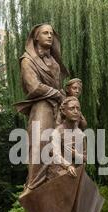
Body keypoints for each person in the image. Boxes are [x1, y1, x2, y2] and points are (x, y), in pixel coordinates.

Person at [14, 23, 69, 191]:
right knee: (40, 142)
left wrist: (64, 97)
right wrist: (56, 93)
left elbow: (59, 86)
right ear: (36, 37)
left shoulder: (55, 63)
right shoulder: (27, 60)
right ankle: (34, 184)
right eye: (45, 33)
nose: (50, 36)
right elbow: (34, 86)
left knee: (60, 143)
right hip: (41, 107)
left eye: (51, 33)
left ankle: (56, 173)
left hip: (57, 107)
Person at [48, 96, 87, 180]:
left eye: (78, 109)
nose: (76, 111)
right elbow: (56, 154)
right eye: (72, 108)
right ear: (64, 111)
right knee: (67, 178)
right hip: (59, 169)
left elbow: (85, 157)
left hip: (76, 169)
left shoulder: (80, 134)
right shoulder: (57, 132)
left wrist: (76, 155)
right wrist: (68, 166)